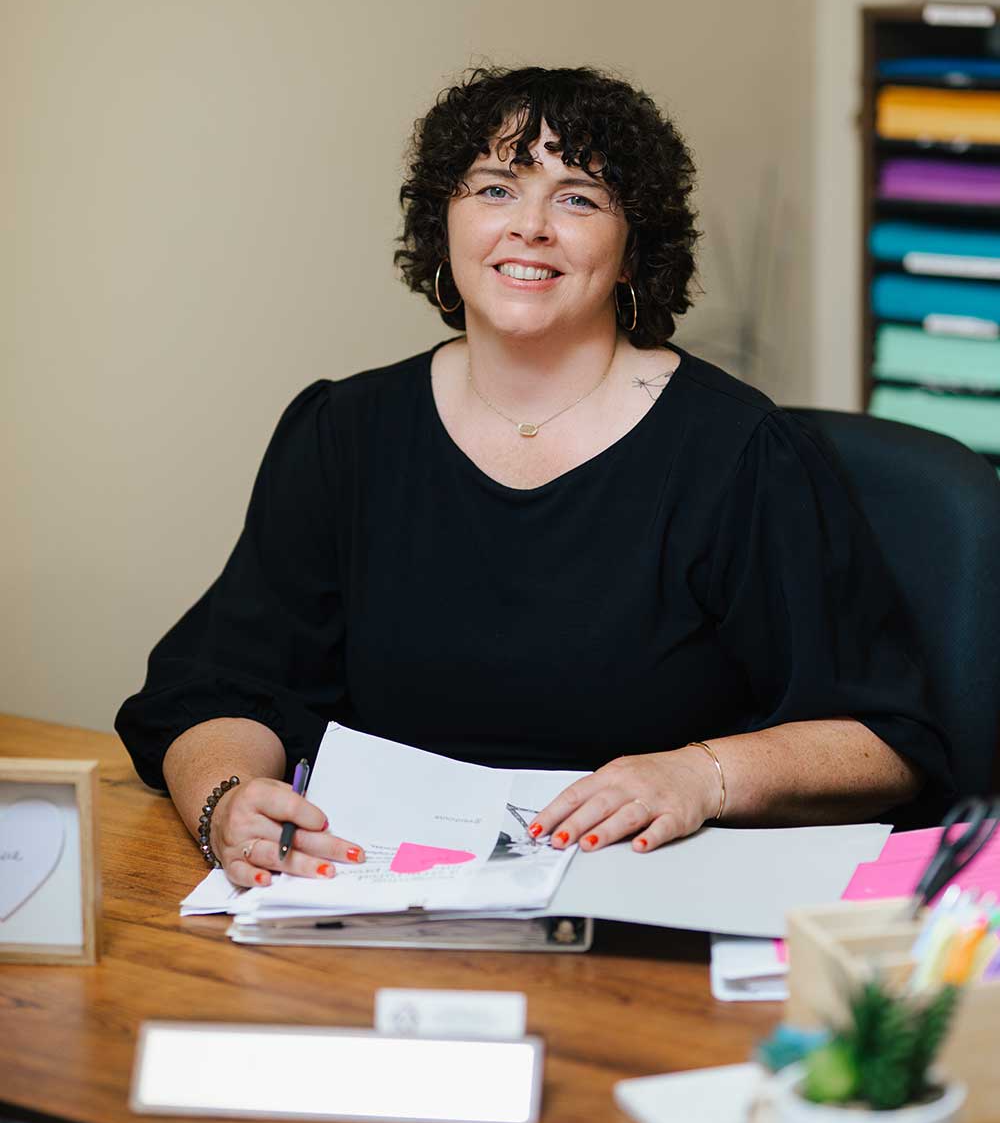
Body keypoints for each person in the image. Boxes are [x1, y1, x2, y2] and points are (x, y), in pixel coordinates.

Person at [115, 65, 952, 889]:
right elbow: (221, 685)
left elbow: (886, 740)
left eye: (579, 197)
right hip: (384, 900)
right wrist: (226, 802)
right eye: (493, 189)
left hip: (647, 904)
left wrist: (702, 775)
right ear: (444, 224)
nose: (531, 227)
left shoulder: (739, 453)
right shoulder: (345, 433)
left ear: (632, 252)